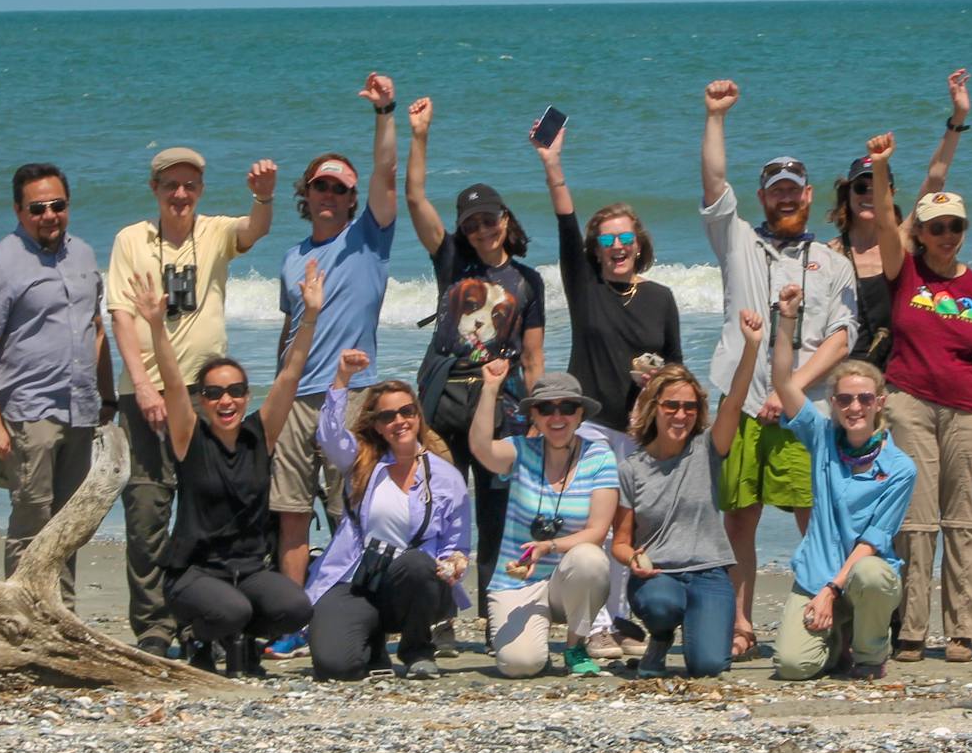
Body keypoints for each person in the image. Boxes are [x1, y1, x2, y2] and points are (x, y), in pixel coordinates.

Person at [699, 78, 860, 662]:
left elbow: (843, 337)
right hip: (739, 402)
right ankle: (740, 625)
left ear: (810, 195)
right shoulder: (737, 241)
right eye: (775, 192)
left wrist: (789, 388)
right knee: (738, 517)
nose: (785, 199)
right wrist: (715, 117)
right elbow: (715, 185)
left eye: (793, 190)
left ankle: (830, 621)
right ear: (763, 197)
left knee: (812, 515)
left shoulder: (831, 261)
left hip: (805, 412)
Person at [105, 147, 278, 657]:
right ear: (154, 189)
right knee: (147, 512)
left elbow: (256, 230)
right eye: (170, 186)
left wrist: (263, 196)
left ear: (200, 190)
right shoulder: (131, 240)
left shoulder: (215, 232)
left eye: (189, 186)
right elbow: (119, 316)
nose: (180, 195)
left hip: (208, 403)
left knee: (209, 515)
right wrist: (140, 384)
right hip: (148, 398)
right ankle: (155, 627)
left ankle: (202, 620)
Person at [534, 118, 683, 661]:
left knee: (629, 529)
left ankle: (621, 619)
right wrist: (553, 165)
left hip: (642, 434)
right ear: (596, 250)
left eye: (626, 239)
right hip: (594, 429)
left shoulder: (661, 297)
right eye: (607, 240)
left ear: (638, 244)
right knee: (593, 530)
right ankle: (593, 625)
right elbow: (565, 221)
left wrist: (663, 404)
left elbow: (677, 370)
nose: (617, 247)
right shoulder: (586, 287)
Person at [264, 72, 399, 660]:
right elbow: (288, 333)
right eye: (320, 186)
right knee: (291, 514)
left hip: (356, 396)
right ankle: (293, 621)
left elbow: (386, 175)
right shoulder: (291, 258)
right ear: (307, 193)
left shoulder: (369, 239)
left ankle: (355, 616)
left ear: (350, 199)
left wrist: (384, 114)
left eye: (338, 189)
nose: (328, 195)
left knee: (356, 513)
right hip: (295, 400)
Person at [128, 263, 316, 675]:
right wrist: (157, 326)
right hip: (195, 574)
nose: (225, 401)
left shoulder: (259, 435)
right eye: (213, 393)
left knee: (296, 607)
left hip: (248, 569)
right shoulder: (189, 438)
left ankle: (242, 641)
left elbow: (290, 375)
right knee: (231, 610)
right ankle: (198, 635)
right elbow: (175, 384)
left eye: (234, 391)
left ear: (247, 396)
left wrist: (310, 316)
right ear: (203, 400)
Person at [406, 94, 547, 626]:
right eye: (472, 225)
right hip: (445, 397)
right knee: (440, 506)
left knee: (495, 508)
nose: (481, 231)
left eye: (489, 221)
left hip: (500, 404)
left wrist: (536, 415)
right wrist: (419, 135)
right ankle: (437, 614)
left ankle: (493, 613)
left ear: (505, 220)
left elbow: (533, 357)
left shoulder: (528, 280)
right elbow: (415, 196)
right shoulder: (451, 260)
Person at [864, 133, 972, 667]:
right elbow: (881, 217)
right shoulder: (906, 272)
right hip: (909, 404)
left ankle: (963, 631)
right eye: (937, 227)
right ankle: (913, 629)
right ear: (919, 232)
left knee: (964, 522)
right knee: (916, 523)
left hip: (968, 412)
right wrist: (881, 168)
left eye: (955, 226)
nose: (947, 235)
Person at [0, 162, 114, 610]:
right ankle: (22, 620)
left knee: (68, 523)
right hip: (31, 413)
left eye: (57, 205)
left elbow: (97, 328)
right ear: (18, 210)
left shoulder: (85, 256)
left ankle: (61, 615)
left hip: (81, 409)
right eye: (37, 208)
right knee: (33, 522)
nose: (49, 214)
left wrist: (106, 398)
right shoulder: (0, 264)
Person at [767, 284, 916, 681]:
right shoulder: (820, 436)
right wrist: (787, 320)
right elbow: (784, 382)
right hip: (817, 573)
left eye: (864, 399)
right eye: (845, 399)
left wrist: (833, 589)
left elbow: (872, 542)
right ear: (832, 402)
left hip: (861, 577)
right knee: (793, 667)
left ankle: (869, 655)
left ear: (879, 402)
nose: (855, 407)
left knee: (870, 575)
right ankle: (835, 642)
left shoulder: (900, 468)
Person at [305, 358, 471, 681]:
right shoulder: (362, 462)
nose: (399, 421)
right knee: (334, 666)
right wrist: (341, 379)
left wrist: (455, 563)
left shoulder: (446, 478)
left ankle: (418, 650)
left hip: (411, 586)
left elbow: (457, 545)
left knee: (418, 564)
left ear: (417, 416)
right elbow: (329, 436)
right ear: (378, 425)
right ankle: (372, 642)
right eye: (388, 416)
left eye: (407, 412)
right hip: (357, 578)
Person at [610, 334, 755, 678]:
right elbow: (620, 542)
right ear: (654, 408)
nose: (681, 415)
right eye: (671, 406)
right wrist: (634, 561)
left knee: (708, 667)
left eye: (690, 407)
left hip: (709, 573)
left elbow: (734, 402)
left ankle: (699, 629)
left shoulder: (707, 449)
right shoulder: (632, 468)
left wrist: (751, 345)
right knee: (662, 606)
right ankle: (660, 637)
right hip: (658, 576)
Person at [473, 361, 619, 678]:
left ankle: (575, 646)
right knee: (521, 665)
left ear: (580, 414)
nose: (557, 417)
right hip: (517, 578)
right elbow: (480, 448)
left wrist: (550, 546)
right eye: (546, 409)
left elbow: (597, 531)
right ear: (534, 416)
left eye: (567, 408)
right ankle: (534, 643)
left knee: (590, 559)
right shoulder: (520, 450)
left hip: (570, 578)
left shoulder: (600, 456)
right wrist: (490, 388)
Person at [829, 69, 972, 370]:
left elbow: (936, 177)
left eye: (875, 186)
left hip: (898, 368)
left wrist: (957, 117)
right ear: (848, 192)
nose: (868, 194)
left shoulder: (904, 238)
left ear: (888, 192)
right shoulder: (831, 252)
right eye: (860, 187)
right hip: (848, 371)